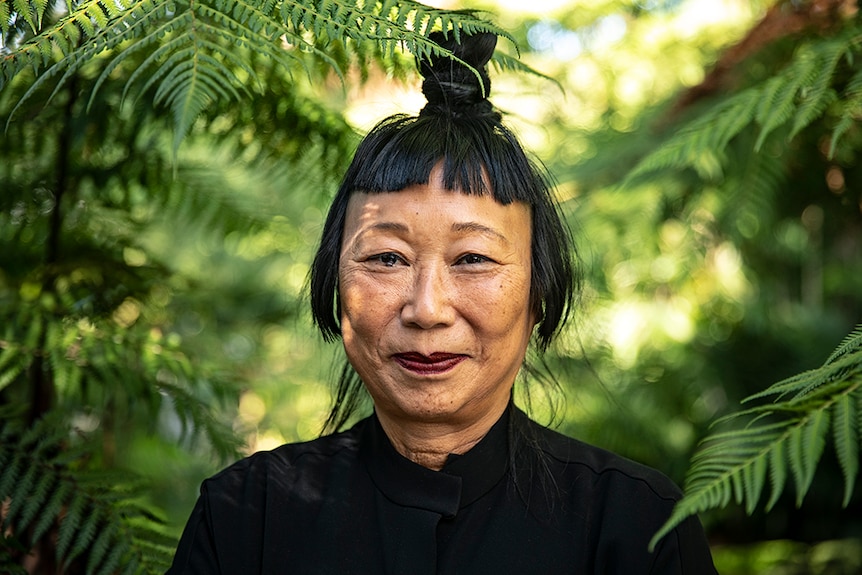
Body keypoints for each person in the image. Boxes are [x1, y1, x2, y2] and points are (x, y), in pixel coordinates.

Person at [167, 29, 718, 574]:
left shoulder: (637, 525)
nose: (426, 309)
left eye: (473, 258)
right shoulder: (245, 517)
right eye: (387, 258)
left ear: (538, 292)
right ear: (334, 287)